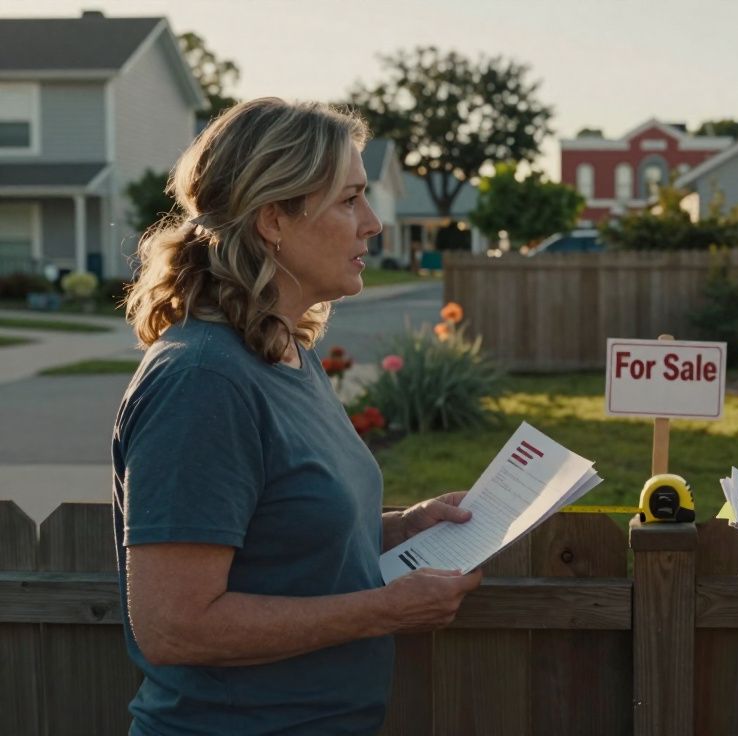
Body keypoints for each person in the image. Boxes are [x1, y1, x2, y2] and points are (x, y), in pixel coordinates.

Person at [113, 98, 483, 734]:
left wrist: (399, 528)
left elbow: (284, 542)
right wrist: (384, 611)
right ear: (273, 219)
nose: (372, 224)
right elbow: (176, 625)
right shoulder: (204, 381)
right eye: (348, 200)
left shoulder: (283, 352)